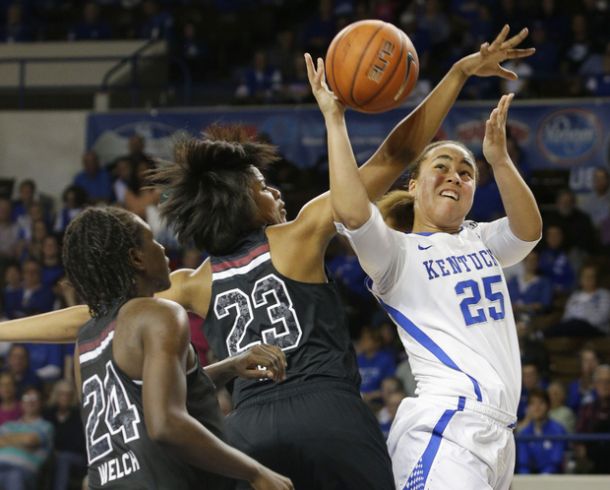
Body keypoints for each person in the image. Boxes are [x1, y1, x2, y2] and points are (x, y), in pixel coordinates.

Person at [0, 26, 535, 489]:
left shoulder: (193, 282)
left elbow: (97, 317)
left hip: (247, 431)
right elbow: (395, 156)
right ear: (243, 200)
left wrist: (3, 330)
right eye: (263, 185)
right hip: (329, 417)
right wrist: (458, 75)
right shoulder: (298, 234)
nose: (276, 192)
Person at [316, 48, 541, 490]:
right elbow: (352, 211)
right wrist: (334, 118)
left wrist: (499, 160)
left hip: (499, 434)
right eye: (443, 167)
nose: (456, 176)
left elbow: (528, 231)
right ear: (414, 185)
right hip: (446, 426)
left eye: (466, 172)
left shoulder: (480, 239)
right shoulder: (397, 255)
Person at [59, 206, 293, 489]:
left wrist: (230, 366)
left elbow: (152, 397)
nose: (162, 246)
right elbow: (165, 424)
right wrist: (255, 472)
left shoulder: (85, 340)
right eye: (152, 239)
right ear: (137, 258)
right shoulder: (159, 313)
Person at [516, 388, 567, 474]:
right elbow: (523, 463)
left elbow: (555, 462)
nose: (537, 407)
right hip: (528, 482)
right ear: (528, 408)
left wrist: (542, 481)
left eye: (541, 403)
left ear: (548, 406)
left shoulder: (558, 430)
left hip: (553, 481)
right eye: (533, 403)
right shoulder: (524, 433)